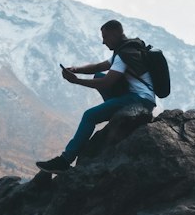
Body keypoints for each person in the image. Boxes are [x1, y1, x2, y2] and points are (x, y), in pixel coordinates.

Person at [36, 19, 155, 172]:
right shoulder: (128, 50)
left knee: (90, 116)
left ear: (115, 34)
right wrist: (76, 69)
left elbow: (107, 83)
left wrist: (76, 81)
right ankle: (115, 113)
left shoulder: (123, 55)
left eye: (105, 37)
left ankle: (65, 161)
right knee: (98, 75)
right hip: (141, 98)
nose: (103, 42)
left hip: (139, 100)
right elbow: (99, 67)